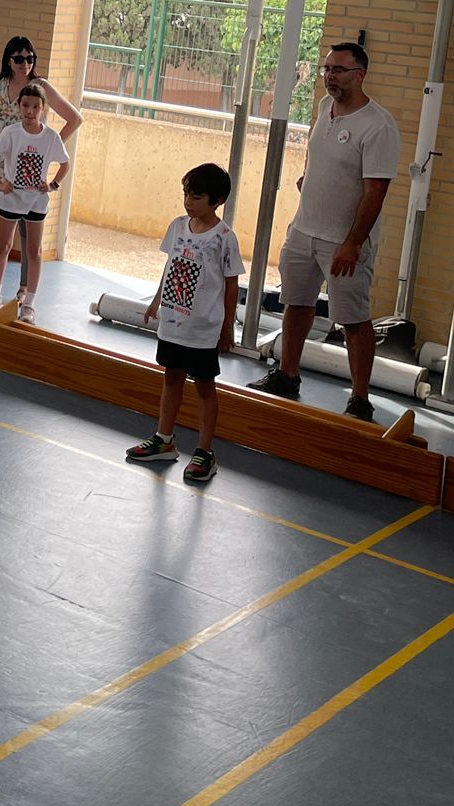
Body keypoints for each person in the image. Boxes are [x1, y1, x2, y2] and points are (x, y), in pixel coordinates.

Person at [252, 42, 400, 420]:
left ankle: (360, 399)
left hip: (343, 242)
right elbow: (317, 153)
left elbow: (376, 190)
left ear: (360, 75)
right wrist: (309, 178)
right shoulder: (324, 107)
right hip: (304, 230)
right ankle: (288, 375)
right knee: (296, 303)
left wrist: (353, 243)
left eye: (339, 70)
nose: (330, 76)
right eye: (327, 69)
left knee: (352, 318)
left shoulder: (378, 126)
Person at [126, 162, 244, 486]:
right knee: (172, 377)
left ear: (217, 200)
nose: (188, 202)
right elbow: (171, 266)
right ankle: (164, 439)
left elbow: (231, 284)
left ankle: (205, 452)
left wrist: (227, 327)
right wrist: (156, 301)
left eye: (196, 196)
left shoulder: (224, 238)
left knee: (204, 387)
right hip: (173, 321)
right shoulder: (178, 226)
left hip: (203, 328)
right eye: (186, 194)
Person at [0, 36, 81, 292]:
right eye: (19, 58)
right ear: (9, 60)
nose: (25, 63)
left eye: (30, 58)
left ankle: (25, 287)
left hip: (28, 168)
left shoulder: (40, 87)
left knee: (27, 231)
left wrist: (50, 146)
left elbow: (74, 118)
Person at [0, 84, 68, 322]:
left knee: (34, 250)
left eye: (35, 106)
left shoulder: (51, 137)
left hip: (36, 201)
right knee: (3, 246)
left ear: (43, 108)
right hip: (10, 199)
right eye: (26, 105)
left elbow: (65, 163)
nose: (30, 111)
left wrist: (53, 184)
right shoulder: (11, 133)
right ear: (19, 106)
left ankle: (28, 303)